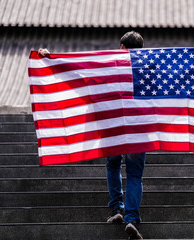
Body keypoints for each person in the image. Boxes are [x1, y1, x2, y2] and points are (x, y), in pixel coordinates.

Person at [38, 31, 145, 240]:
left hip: (112, 126)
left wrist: (51, 58)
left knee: (113, 165)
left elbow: (79, 70)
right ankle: (131, 219)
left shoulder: (108, 64)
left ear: (122, 47)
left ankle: (116, 210)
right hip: (136, 127)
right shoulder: (146, 68)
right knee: (134, 174)